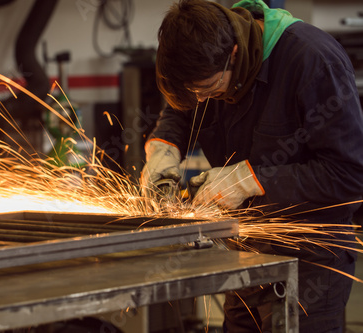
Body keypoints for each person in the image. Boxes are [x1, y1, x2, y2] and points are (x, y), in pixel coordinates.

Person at [141, 0, 363, 332]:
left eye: (208, 90)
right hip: (245, 253)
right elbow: (182, 109)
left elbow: (351, 174)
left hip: (309, 263)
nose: (201, 100)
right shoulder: (206, 66)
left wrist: (249, 180)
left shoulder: (313, 61)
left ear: (232, 54)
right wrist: (163, 148)